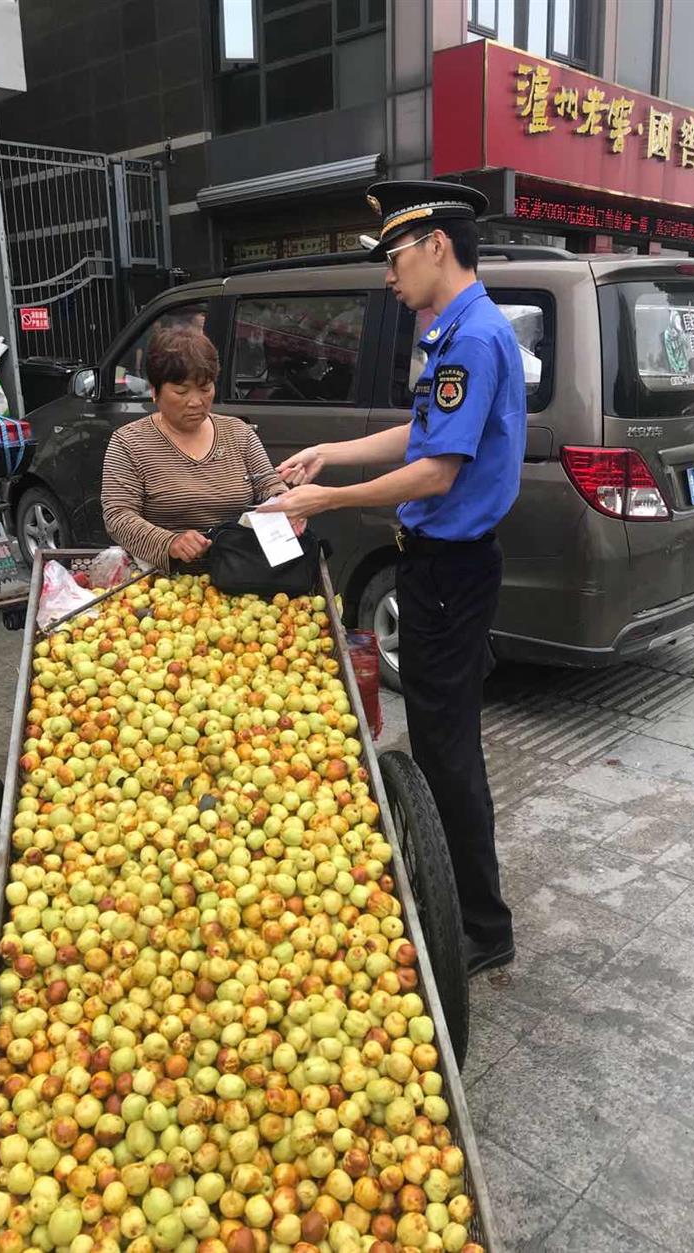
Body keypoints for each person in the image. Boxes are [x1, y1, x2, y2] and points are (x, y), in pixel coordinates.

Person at [258, 181, 526, 976]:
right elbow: (424, 429)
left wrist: (327, 497)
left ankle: (481, 923)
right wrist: (333, 453)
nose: (387, 274)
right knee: (446, 741)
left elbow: (437, 471)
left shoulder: (471, 338)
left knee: (448, 751)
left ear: (436, 245)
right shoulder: (457, 331)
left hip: (451, 569)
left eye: (395, 255)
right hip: (441, 568)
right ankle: (459, 896)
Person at [101, 326, 288, 569]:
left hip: (241, 571)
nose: (196, 402)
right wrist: (170, 542)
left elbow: (269, 484)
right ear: (155, 391)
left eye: (205, 388)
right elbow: (118, 516)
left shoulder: (239, 433)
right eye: (181, 391)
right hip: (161, 582)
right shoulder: (129, 443)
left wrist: (285, 503)